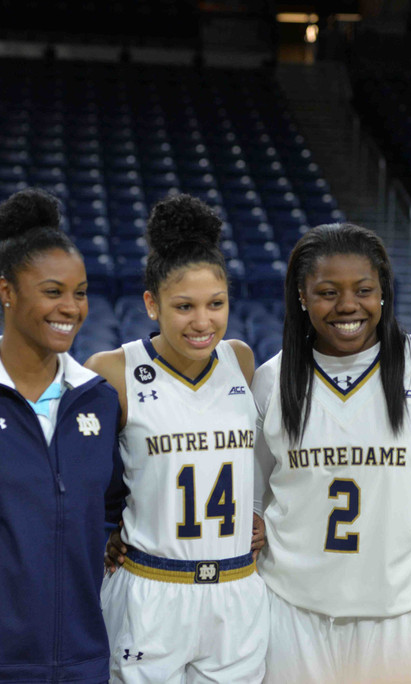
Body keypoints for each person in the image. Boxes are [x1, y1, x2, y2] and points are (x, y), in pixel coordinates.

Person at [251, 223, 411, 684]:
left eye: (363, 289)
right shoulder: (271, 380)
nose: (347, 306)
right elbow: (254, 503)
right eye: (327, 291)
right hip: (289, 617)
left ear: (383, 291)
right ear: (302, 295)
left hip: (406, 620)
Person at [0, 188, 124, 682]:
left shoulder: (98, 399)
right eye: (53, 292)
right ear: (7, 291)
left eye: (80, 293)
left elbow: (114, 507)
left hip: (80, 660)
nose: (72, 308)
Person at [88, 194, 268, 682]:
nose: (203, 321)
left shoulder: (242, 361)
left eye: (216, 304)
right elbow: (83, 476)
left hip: (236, 587)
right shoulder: (113, 370)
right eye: (184, 306)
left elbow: (266, 461)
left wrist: (263, 516)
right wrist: (105, 533)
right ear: (152, 303)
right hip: (151, 588)